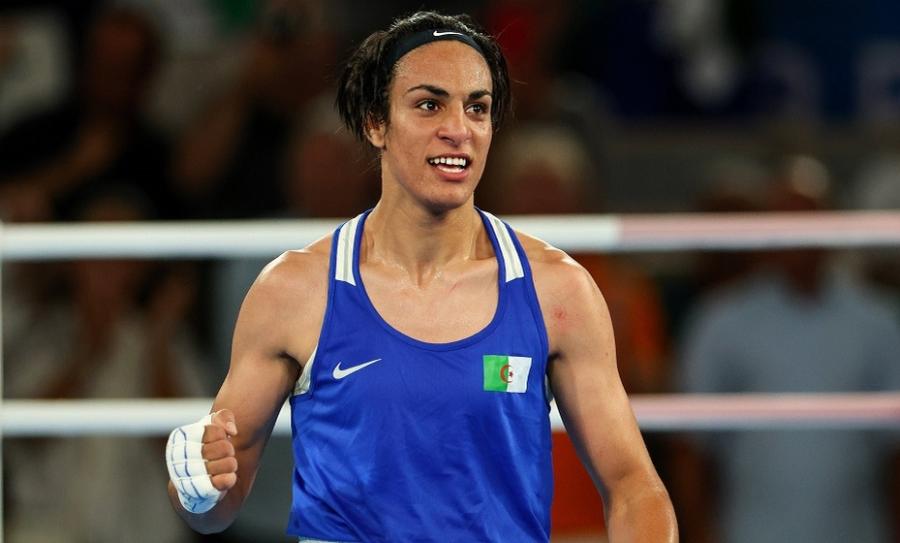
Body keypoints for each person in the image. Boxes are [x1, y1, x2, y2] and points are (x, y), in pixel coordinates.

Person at [165, 11, 677, 542]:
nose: (457, 129)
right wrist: (198, 486)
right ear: (375, 123)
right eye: (430, 104)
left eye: (476, 107)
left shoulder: (558, 292)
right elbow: (217, 503)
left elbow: (634, 487)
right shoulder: (294, 290)